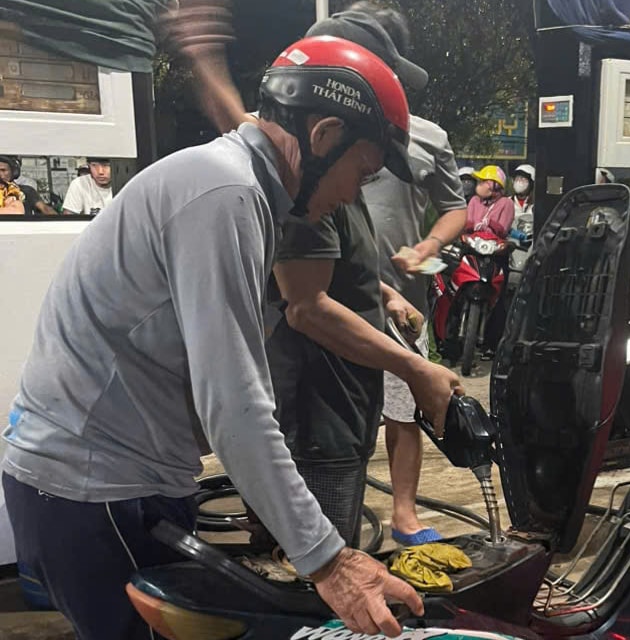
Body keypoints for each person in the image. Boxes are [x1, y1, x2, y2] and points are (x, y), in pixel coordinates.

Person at [2, 36, 429, 639]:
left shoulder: (237, 187)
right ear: (325, 135)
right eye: (361, 173)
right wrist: (330, 562)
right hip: (99, 488)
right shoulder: (226, 194)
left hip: (113, 480)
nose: (352, 195)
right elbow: (233, 404)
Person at [275, 3, 466, 548]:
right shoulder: (301, 169)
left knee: (399, 413)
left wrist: (420, 257)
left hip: (390, 302)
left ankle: (400, 516)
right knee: (320, 440)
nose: (357, 188)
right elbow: (307, 306)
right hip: (324, 319)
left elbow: (455, 211)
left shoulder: (420, 138)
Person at [466, 165, 514, 238]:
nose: (480, 183)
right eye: (480, 181)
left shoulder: (506, 203)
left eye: (484, 181)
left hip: (494, 243)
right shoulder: (475, 200)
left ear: (496, 185)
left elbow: (502, 231)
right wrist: (474, 226)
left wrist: (489, 223)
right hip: (471, 241)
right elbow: (467, 225)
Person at [509, 163, 534, 242]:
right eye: (517, 179)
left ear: (532, 183)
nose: (519, 182)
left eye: (523, 179)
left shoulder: (536, 204)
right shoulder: (506, 203)